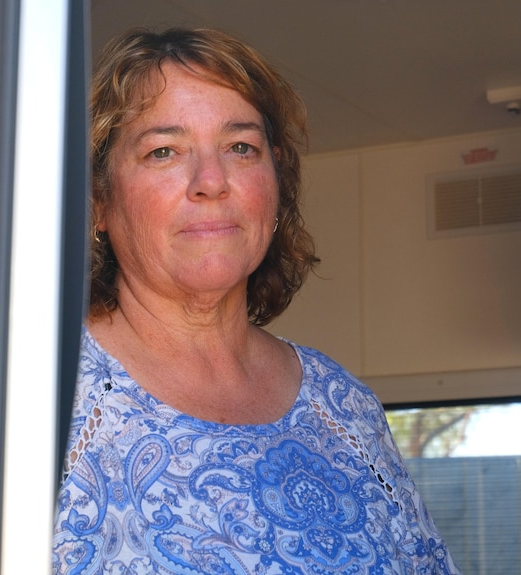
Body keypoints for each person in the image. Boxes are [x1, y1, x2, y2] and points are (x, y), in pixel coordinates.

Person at [52, 27, 461, 575]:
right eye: (164, 151)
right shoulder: (45, 408)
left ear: (276, 183)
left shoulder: (344, 408)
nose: (211, 181)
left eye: (240, 147)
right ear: (99, 202)